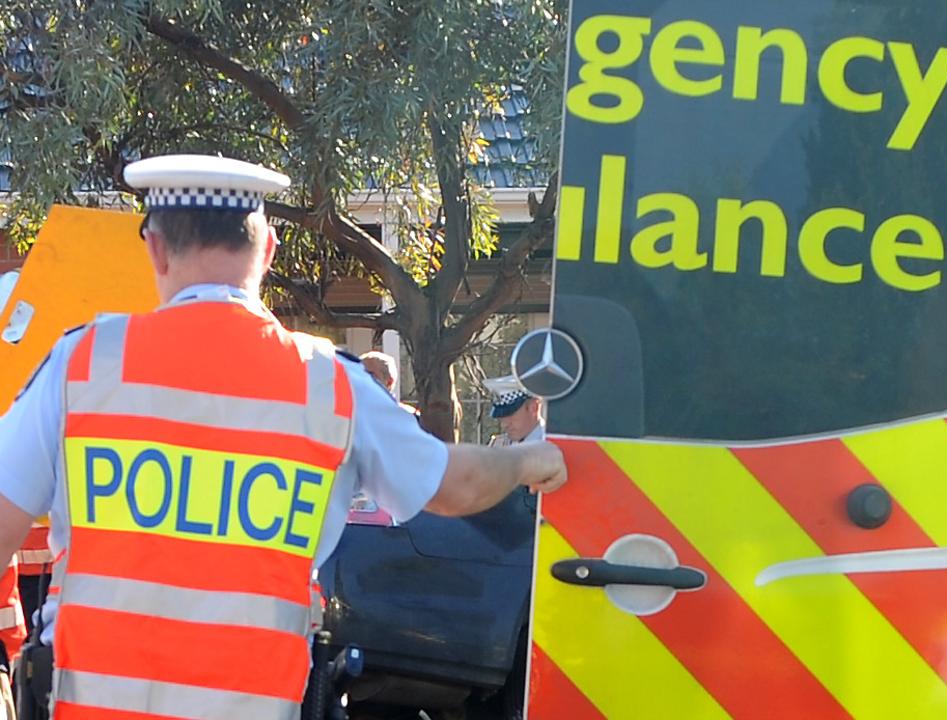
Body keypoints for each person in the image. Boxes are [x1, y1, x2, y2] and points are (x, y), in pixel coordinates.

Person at [0, 154, 566, 719]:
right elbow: (454, 485)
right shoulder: (330, 384)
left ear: (155, 247)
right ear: (268, 250)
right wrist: (526, 461)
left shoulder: (82, 363)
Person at [484, 375, 545, 445]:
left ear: (534, 408)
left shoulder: (553, 445)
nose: (504, 425)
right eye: (501, 418)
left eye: (510, 415)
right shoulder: (500, 445)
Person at [359, 350, 418, 415]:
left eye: (370, 375)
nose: (363, 380)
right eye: (359, 374)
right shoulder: (352, 419)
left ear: (389, 382)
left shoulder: (408, 417)